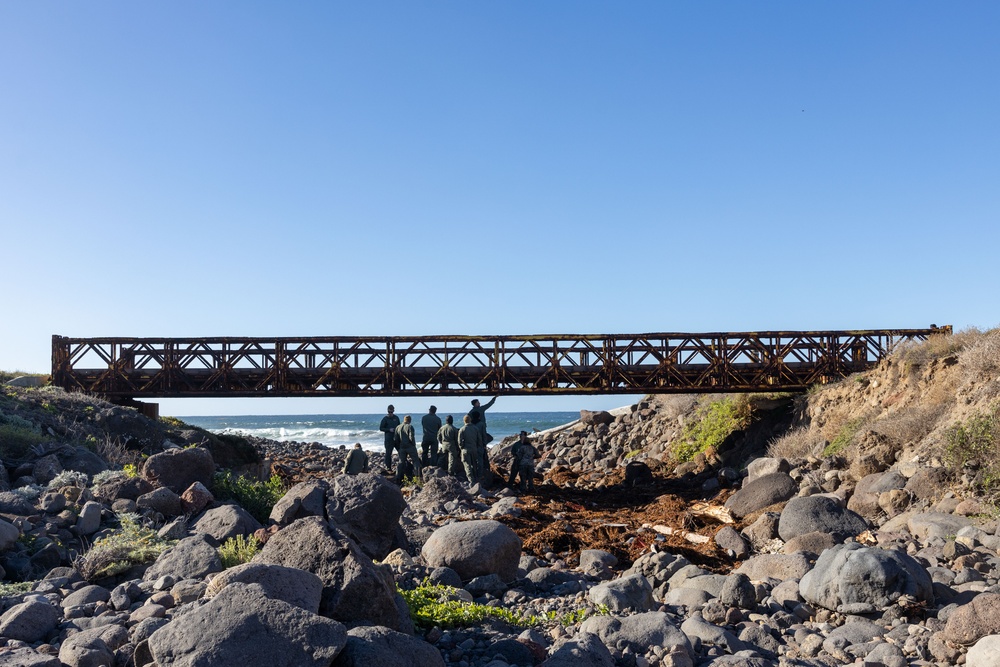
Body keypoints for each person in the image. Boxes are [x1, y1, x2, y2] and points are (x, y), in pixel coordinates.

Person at [394, 415, 422, 482]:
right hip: (410, 446)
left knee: (401, 462)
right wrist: (413, 445)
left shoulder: (398, 427)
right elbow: (411, 437)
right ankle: (417, 476)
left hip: (402, 447)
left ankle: (398, 477)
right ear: (409, 420)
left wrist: (398, 447)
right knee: (415, 461)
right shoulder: (410, 426)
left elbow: (396, 439)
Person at [458, 413, 483, 484]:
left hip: (466, 449)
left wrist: (461, 448)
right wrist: (478, 446)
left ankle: (471, 480)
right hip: (474, 448)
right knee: (474, 464)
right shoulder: (475, 428)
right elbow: (479, 439)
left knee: (467, 465)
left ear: (464, 421)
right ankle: (476, 478)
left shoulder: (462, 429)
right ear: (470, 420)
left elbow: (460, 442)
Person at [378, 405, 400, 471]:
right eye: (389, 412)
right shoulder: (385, 419)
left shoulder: (396, 418)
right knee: (388, 454)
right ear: (387, 411)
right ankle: (388, 467)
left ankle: (403, 466)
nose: (390, 413)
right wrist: (388, 429)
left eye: (391, 412)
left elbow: (399, 426)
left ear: (393, 411)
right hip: (389, 439)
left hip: (396, 438)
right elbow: (381, 428)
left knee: (401, 452)